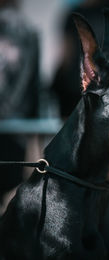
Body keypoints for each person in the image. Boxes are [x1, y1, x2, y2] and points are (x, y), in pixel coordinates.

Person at [0, 0, 39, 212]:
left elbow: (27, 80)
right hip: (15, 123)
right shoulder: (27, 29)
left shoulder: (24, 30)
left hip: (13, 124)